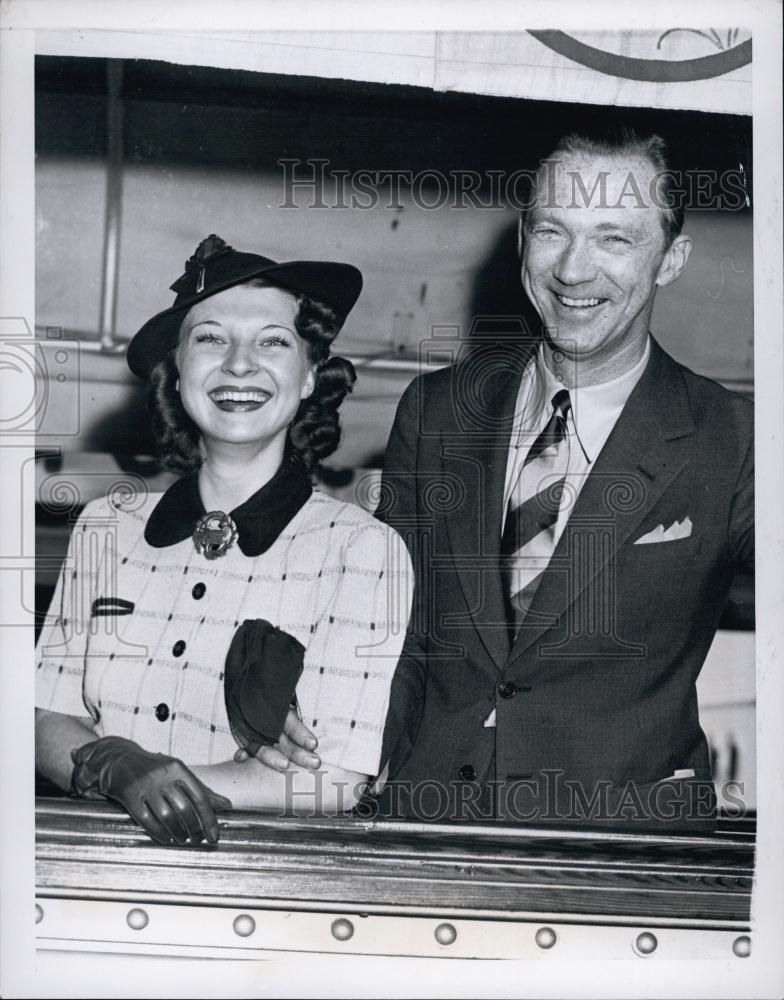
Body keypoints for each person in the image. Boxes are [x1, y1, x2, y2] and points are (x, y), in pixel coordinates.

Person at [281, 126, 754, 830]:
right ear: (523, 238)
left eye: (615, 239)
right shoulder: (436, 410)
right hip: (426, 822)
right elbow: (395, 628)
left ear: (671, 259)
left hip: (626, 846)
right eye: (552, 231)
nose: (573, 270)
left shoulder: (736, 437)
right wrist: (337, 737)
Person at [35, 235, 413, 846]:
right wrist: (114, 766)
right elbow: (43, 714)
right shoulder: (106, 526)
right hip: (89, 859)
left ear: (311, 374)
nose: (240, 363)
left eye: (273, 341)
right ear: (178, 370)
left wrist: (164, 783)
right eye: (210, 338)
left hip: (256, 883)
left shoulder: (363, 551)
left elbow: (336, 778)